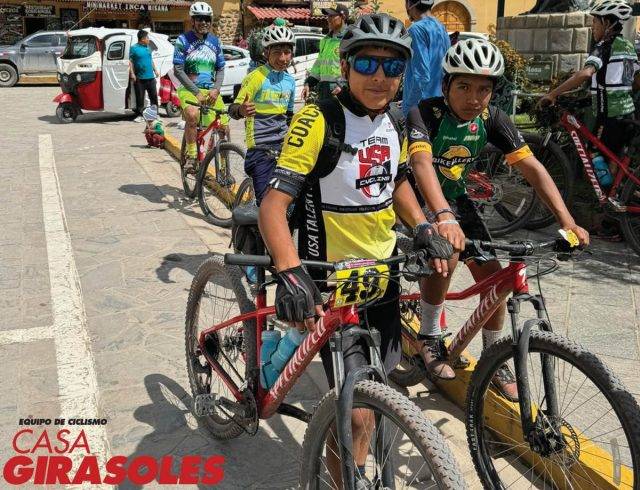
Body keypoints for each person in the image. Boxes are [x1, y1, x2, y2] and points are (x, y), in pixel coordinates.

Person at [259, 13, 452, 486]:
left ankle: (351, 468)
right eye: (366, 63)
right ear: (345, 66)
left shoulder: (396, 120)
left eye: (391, 68)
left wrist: (424, 224)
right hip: (332, 280)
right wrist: (290, 271)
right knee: (359, 413)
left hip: (381, 277)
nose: (379, 76)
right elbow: (272, 204)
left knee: (375, 396)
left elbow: (398, 179)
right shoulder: (318, 119)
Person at [407, 38, 590, 401]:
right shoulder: (425, 113)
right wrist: (442, 217)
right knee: (446, 254)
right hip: (415, 197)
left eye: (483, 89)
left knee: (495, 281)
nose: (474, 98)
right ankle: (430, 335)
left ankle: (494, 354)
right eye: (464, 86)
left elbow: (533, 168)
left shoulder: (492, 119)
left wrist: (567, 221)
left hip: (456, 198)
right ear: (446, 86)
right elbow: (421, 164)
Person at [540, 0, 637, 237]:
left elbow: (585, 73)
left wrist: (553, 93)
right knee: (612, 164)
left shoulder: (604, 45)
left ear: (607, 23)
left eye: (595, 22)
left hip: (610, 116)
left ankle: (613, 215)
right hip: (627, 113)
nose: (593, 27)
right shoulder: (628, 46)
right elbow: (634, 80)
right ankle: (612, 217)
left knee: (594, 156)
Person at [228, 24, 296, 205]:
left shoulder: (290, 81)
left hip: (283, 144)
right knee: (266, 203)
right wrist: (241, 110)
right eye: (277, 52)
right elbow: (233, 109)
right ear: (267, 53)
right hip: (260, 146)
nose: (283, 58)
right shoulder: (255, 77)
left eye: (287, 52)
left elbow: (288, 116)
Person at [173, 1, 228, 172]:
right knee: (191, 114)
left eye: (207, 19)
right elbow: (178, 70)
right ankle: (191, 156)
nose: (204, 22)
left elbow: (220, 68)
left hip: (210, 90)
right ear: (192, 21)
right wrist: (196, 92)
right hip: (190, 89)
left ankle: (224, 169)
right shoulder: (183, 40)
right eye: (199, 19)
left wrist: (216, 89)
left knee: (224, 127)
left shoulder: (215, 41)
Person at [402, 0, 450, 116]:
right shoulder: (440, 27)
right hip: (440, 102)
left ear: (409, 4)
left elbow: (422, 76)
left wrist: (408, 105)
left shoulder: (416, 29)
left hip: (421, 106)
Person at [301, 4, 349, 101]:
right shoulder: (325, 40)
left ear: (343, 17)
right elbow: (319, 64)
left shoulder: (349, 38)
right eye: (328, 16)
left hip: (340, 89)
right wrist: (309, 83)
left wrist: (343, 85)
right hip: (323, 88)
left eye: (332, 16)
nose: (328, 19)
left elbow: (353, 66)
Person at [129, 29, 160, 123]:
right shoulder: (133, 48)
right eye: (147, 37)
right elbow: (130, 61)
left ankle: (154, 115)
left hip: (151, 78)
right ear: (142, 39)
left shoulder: (148, 47)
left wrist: (155, 70)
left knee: (153, 97)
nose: (148, 39)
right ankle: (140, 115)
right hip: (139, 78)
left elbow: (151, 60)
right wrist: (132, 73)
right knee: (140, 98)